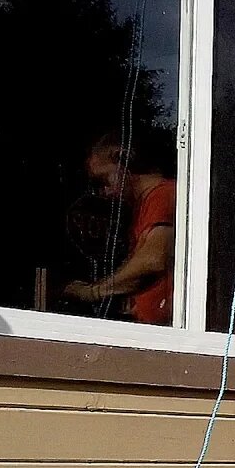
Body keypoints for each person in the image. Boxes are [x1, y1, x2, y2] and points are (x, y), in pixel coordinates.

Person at [63, 129, 176, 325]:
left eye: (103, 180)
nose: (104, 192)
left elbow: (153, 260)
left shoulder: (162, 195)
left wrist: (94, 292)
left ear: (122, 159)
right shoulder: (142, 207)